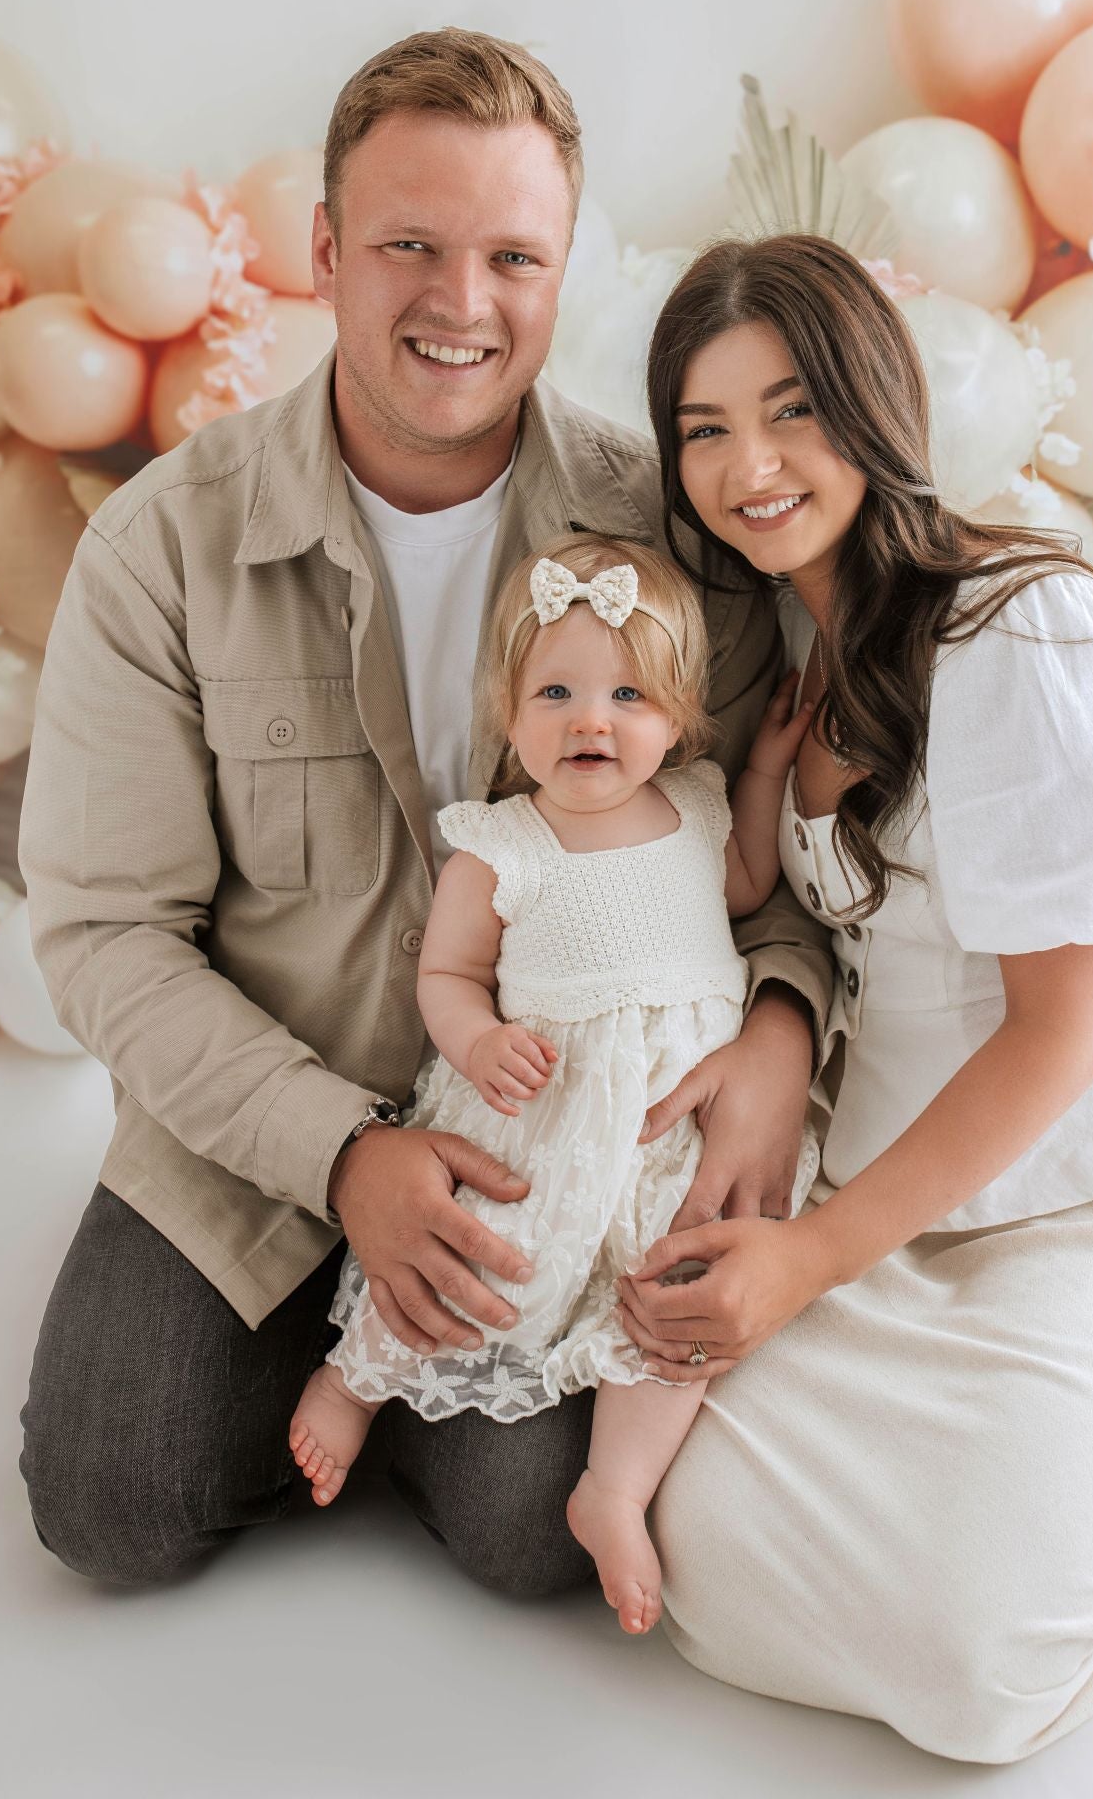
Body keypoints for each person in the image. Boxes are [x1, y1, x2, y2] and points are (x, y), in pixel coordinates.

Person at [17, 34, 832, 1592]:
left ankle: (404, 1387)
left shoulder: (665, 540)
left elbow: (759, 862)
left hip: (553, 1156)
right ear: (324, 251)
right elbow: (109, 934)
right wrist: (341, 1162)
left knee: (534, 1536)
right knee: (111, 1504)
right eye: (408, 244)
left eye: (511, 254)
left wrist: (780, 1037)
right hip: (263, 1130)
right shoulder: (162, 547)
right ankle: (332, 1350)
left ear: (560, 266)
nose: (461, 303)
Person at [617, 233, 1093, 1763]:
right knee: (682, 1505)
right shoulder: (789, 638)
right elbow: (797, 917)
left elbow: (1063, 1031)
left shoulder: (1018, 625)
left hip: (1066, 1193)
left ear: (872, 404)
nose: (747, 467)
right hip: (884, 1177)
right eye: (703, 431)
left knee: (982, 1683)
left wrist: (807, 1261)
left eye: (788, 412)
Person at [289, 532, 821, 1633]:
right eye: (558, 691)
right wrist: (478, 1040)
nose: (592, 718)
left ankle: (611, 1488)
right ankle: (351, 1381)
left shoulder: (700, 806)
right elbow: (449, 970)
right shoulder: (502, 843)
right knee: (476, 1269)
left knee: (672, 1299)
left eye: (628, 692)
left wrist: (766, 770)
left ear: (676, 715)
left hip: (670, 1133)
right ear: (510, 708)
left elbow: (749, 881)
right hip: (543, 1119)